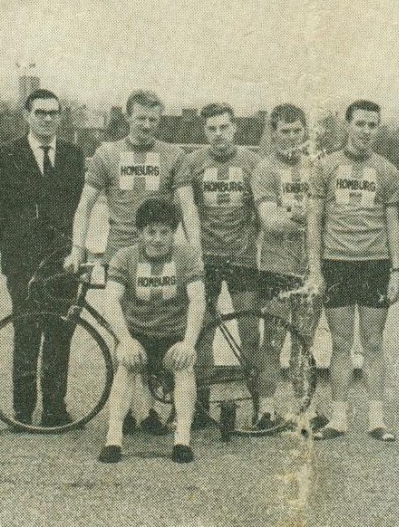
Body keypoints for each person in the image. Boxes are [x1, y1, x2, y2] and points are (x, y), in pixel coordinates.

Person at [65, 90, 201, 434]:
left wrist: (196, 251)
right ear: (128, 117)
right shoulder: (107, 153)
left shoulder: (173, 155)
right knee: (124, 331)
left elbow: (187, 207)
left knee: (159, 323)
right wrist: (78, 248)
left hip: (161, 250)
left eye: (153, 119)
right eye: (140, 118)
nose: (147, 125)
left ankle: (151, 409)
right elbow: (84, 205)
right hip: (122, 253)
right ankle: (133, 410)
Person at [0, 89, 85, 428]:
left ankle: (55, 409)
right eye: (40, 112)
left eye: (53, 113)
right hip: (23, 262)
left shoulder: (72, 155)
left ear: (60, 116)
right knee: (26, 331)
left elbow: (78, 207)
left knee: (60, 332)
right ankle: (23, 410)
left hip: (63, 260)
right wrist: (15, 254)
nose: (47, 118)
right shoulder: (4, 155)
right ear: (27, 115)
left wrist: (74, 249)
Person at [310, 100, 399, 441]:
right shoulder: (326, 166)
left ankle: (376, 420)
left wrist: (396, 270)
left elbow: (393, 223)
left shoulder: (387, 170)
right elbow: (315, 219)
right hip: (337, 262)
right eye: (360, 123)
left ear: (378, 128)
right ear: (348, 125)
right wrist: (316, 268)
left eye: (372, 125)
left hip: (374, 262)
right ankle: (338, 419)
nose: (366, 131)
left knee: (373, 343)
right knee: (340, 343)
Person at [97, 198, 205, 464]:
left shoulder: (187, 256)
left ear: (173, 232)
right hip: (139, 335)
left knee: (184, 365)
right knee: (126, 364)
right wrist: (125, 340)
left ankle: (182, 440)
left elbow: (197, 300)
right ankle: (113, 438)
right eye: (151, 232)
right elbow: (110, 299)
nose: (157, 239)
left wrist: (188, 343)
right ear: (140, 233)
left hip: (172, 336)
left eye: (164, 232)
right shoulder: (125, 257)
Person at [175, 102, 261, 427]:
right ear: (204, 131)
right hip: (206, 258)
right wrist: (193, 251)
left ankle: (260, 406)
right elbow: (186, 209)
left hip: (243, 258)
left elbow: (262, 210)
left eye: (224, 127)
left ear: (234, 127)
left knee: (249, 333)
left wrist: (255, 241)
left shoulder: (252, 162)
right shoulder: (192, 162)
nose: (218, 134)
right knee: (202, 334)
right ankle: (199, 406)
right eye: (211, 129)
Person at [251, 103, 323, 430]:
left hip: (309, 268)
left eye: (297, 131)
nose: (292, 137)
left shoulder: (316, 167)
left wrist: (299, 216)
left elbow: (330, 216)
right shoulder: (265, 169)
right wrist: (307, 218)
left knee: (304, 341)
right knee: (273, 341)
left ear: (305, 131)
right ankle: (266, 410)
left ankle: (305, 408)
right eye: (285, 131)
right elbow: (270, 221)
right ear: (274, 133)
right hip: (276, 266)